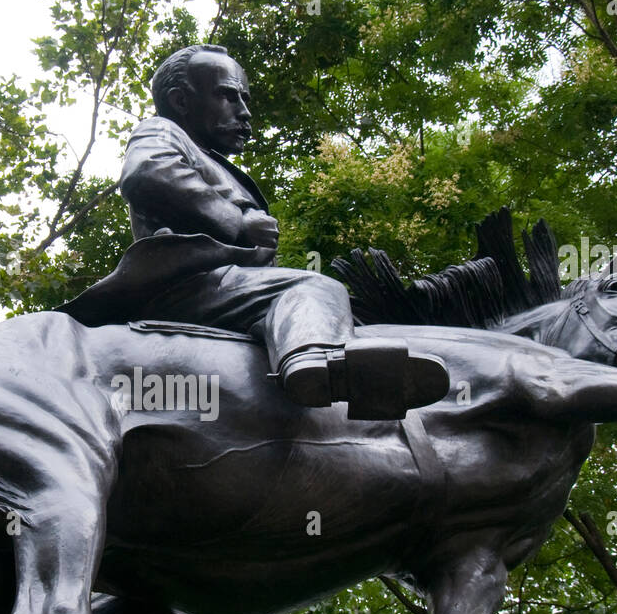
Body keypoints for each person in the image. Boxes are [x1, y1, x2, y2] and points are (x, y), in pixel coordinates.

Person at [60, 44, 448, 420]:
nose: (245, 113)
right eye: (229, 97)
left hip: (225, 289)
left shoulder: (207, 158)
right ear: (180, 101)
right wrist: (238, 222)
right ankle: (314, 364)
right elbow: (147, 173)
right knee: (313, 289)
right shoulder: (162, 132)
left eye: (245, 100)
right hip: (191, 286)